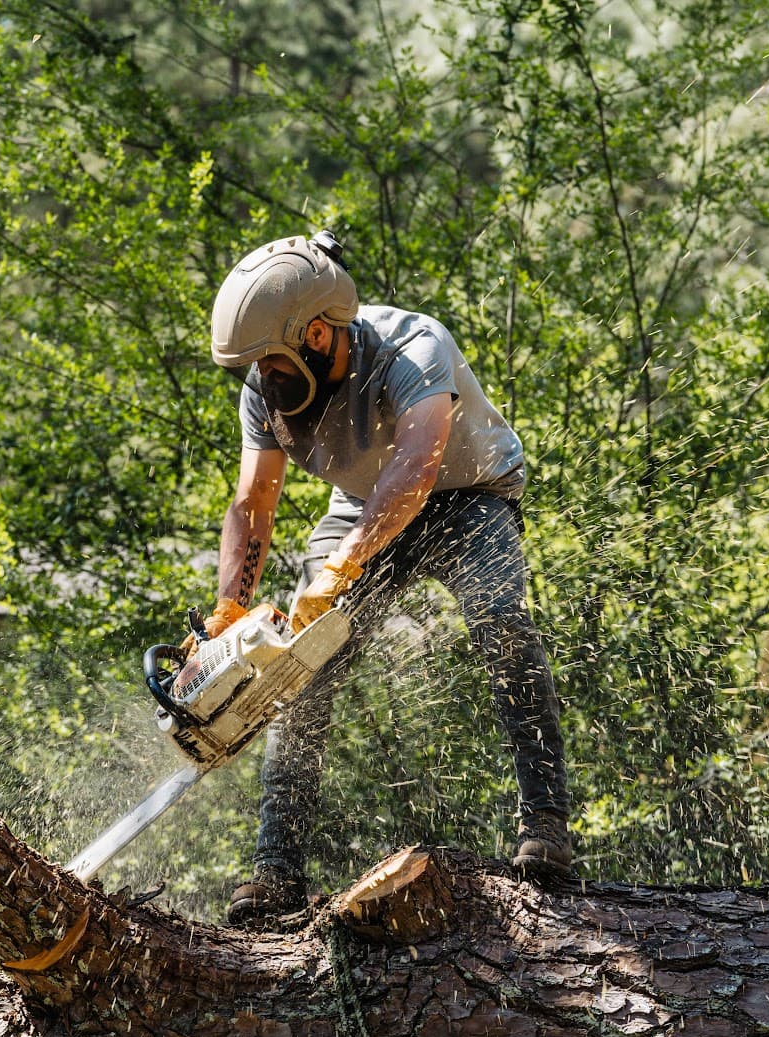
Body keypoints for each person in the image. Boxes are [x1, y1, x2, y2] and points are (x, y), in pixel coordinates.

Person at [194, 231, 573, 929]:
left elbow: (418, 468)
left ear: (313, 332)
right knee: (296, 666)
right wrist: (230, 609)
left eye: (271, 359)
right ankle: (276, 868)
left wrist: (343, 567)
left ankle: (547, 823)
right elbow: (253, 503)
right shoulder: (264, 395)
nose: (263, 377)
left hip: (468, 492)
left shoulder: (413, 347)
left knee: (501, 621)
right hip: (361, 506)